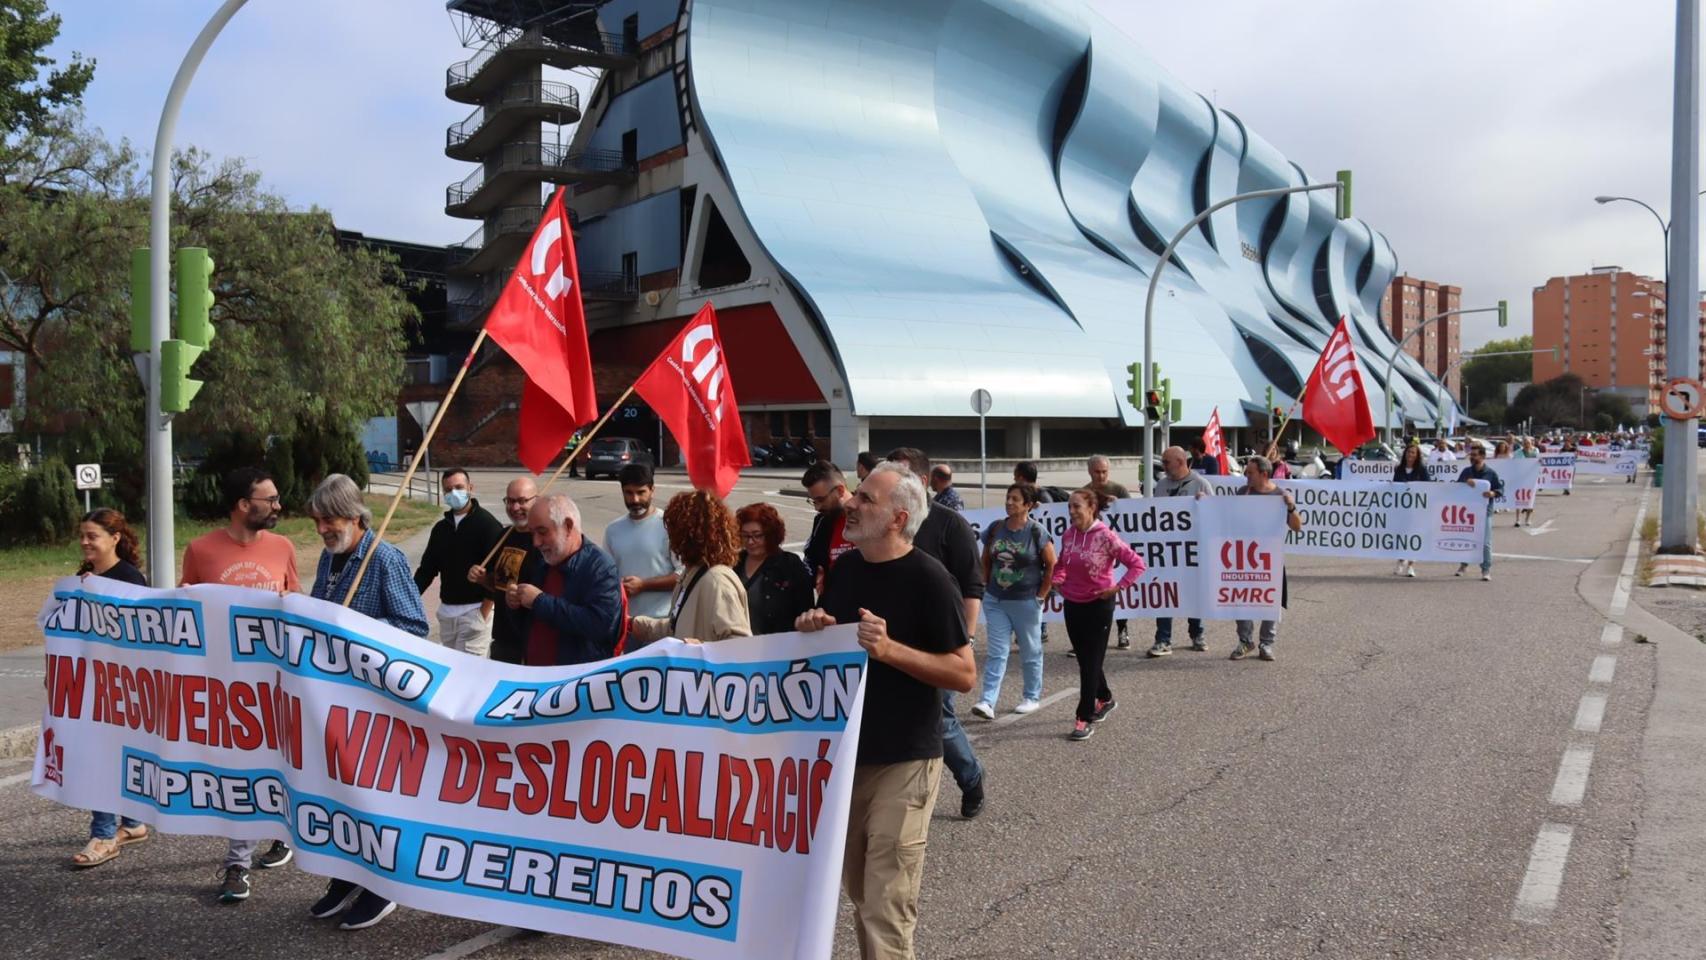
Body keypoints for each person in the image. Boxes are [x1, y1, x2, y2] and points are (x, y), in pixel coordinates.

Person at [793, 462, 975, 960]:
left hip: (906, 759)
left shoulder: (930, 579)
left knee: (885, 904)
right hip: (850, 758)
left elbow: (964, 673)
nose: (850, 503)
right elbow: (835, 645)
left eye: (866, 499)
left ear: (897, 519)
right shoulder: (848, 568)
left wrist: (891, 649)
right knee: (859, 892)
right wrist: (815, 625)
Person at [303, 474, 428, 930]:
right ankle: (344, 876)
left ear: (356, 516)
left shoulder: (384, 559)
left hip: (375, 705)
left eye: (329, 519)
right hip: (335, 703)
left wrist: (360, 635)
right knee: (339, 795)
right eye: (317, 521)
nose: (321, 529)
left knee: (374, 798)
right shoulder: (329, 557)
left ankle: (382, 886)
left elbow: (415, 627)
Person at [181, 467, 302, 902]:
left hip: (276, 685)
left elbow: (295, 607)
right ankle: (237, 864)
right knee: (240, 774)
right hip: (227, 689)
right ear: (242, 505)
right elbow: (182, 614)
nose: (278, 506)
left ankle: (276, 833)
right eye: (269, 499)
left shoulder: (284, 546)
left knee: (279, 767)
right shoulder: (200, 550)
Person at [886, 447, 986, 818]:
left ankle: (971, 776)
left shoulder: (949, 524)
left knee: (939, 722)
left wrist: (966, 643)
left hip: (938, 645)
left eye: (899, 475)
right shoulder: (885, 520)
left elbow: (972, 587)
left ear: (923, 482)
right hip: (887, 644)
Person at [67, 508, 150, 870]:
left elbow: (144, 633)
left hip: (121, 685)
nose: (85, 542)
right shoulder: (84, 576)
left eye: (93, 536)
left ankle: (104, 835)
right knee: (108, 753)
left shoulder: (130, 579)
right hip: (90, 680)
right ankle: (131, 824)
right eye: (83, 536)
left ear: (114, 538)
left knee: (101, 757)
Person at [1052, 489, 1146, 741]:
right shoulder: (1069, 534)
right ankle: (1104, 698)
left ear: (1091, 507)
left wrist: (1117, 587)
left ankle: (1083, 718)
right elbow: (1062, 564)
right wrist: (1058, 579)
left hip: (1098, 605)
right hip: (1072, 603)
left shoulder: (1106, 536)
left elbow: (1137, 564)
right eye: (1069, 507)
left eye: (1077, 507)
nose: (1071, 512)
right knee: (1086, 659)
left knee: (1089, 664)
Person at [508, 494, 625, 665]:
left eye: (542, 532)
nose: (536, 542)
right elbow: (529, 624)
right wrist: (515, 605)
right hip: (537, 677)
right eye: (532, 533)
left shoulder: (600, 567)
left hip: (574, 681)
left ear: (568, 526)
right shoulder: (544, 562)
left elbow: (600, 626)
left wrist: (540, 601)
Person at [972, 483, 1054, 719]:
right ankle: (987, 701)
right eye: (1008, 498)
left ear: (1028, 505)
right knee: (997, 652)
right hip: (996, 600)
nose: (1009, 502)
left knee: (1030, 651)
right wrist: (986, 586)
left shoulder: (1037, 532)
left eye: (1015, 499)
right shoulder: (996, 528)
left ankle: (1031, 696)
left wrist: (1040, 596)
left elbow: (1051, 565)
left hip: (1026, 602)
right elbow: (986, 558)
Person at [629, 490, 752, 645]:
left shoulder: (717, 581)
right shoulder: (692, 574)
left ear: (686, 535)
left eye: (672, 530)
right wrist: (634, 624)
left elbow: (740, 645)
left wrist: (699, 648)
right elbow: (677, 627)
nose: (669, 537)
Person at [412, 467, 505, 657]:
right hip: (447, 614)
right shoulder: (440, 528)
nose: (454, 493)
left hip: (475, 612)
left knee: (468, 677)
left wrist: (483, 613)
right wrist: (408, 598)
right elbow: (427, 570)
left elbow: (499, 573)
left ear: (470, 487)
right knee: (450, 673)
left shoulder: (488, 525)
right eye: (448, 489)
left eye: (459, 487)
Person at [466, 476, 545, 664]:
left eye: (522, 501)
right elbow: (498, 584)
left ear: (537, 500)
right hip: (503, 639)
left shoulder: (543, 541)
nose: (515, 507)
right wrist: (483, 578)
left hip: (532, 641)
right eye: (510, 501)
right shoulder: (505, 535)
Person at [1231, 457, 1303, 661]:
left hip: (1270, 557)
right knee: (1242, 597)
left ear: (1263, 474)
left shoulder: (1280, 495)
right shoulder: (1242, 493)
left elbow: (1297, 527)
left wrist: (1290, 507)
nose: (1246, 476)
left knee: (1271, 600)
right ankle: (1245, 641)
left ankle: (1266, 643)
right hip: (1243, 556)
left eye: (1250, 473)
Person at [1148, 447, 1212, 655]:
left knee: (1192, 593)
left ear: (1180, 461)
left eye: (1167, 462)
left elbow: (1215, 515)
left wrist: (1205, 505)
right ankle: (1163, 639)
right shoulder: (1162, 485)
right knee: (1165, 593)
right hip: (1166, 551)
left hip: (1192, 550)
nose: (1163, 466)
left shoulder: (1201, 484)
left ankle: (1197, 634)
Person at [603, 463, 680, 621]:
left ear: (652, 490)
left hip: (662, 622)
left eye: (641, 492)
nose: (635, 499)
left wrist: (644, 585)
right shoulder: (613, 530)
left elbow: (683, 576)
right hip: (625, 622)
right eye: (629, 493)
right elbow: (605, 576)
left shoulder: (670, 525)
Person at [736, 502, 815, 635]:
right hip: (737, 645)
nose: (750, 542)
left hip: (779, 646)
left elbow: (805, 609)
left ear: (771, 535)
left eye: (757, 535)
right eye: (745, 536)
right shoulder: (734, 562)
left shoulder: (790, 564)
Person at [1083, 454, 1133, 649]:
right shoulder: (1085, 492)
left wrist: (1119, 503)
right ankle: (1089, 636)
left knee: (1116, 592)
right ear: (1090, 471)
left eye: (1104, 472)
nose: (1101, 476)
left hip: (1117, 548)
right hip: (1094, 552)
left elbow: (1133, 512)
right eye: (1097, 472)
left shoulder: (1118, 489)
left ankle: (1123, 631)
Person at [802, 462, 857, 592]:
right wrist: (813, 576)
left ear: (840, 490)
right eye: (814, 501)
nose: (817, 507)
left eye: (821, 500)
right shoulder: (823, 521)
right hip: (831, 604)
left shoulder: (870, 518)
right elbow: (811, 558)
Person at [1457, 447, 1503, 582]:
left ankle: (1485, 569)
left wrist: (1493, 493)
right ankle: (1463, 565)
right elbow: (1456, 487)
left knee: (1485, 542)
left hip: (1485, 511)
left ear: (1482, 456)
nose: (1472, 457)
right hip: (1467, 512)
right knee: (1466, 538)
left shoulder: (1491, 473)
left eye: (1475, 455)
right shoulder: (1466, 472)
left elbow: (1500, 489)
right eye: (1471, 455)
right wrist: (1465, 482)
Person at [1390, 444, 1432, 577]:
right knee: (1402, 534)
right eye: (1409, 452)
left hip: (1417, 508)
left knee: (1414, 535)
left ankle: (1411, 565)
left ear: (1417, 455)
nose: (1410, 455)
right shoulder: (1399, 469)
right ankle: (1401, 560)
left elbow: (1429, 486)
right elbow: (1395, 485)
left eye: (1413, 453)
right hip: (1402, 508)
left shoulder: (1422, 470)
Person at [1514, 438, 1539, 526]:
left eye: (1528, 443)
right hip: (1520, 478)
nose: (1526, 444)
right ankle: (1517, 519)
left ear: (1531, 443)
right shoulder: (1517, 453)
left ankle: (1528, 519)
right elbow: (1514, 464)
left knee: (1530, 499)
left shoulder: (1535, 451)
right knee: (1518, 499)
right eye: (1524, 443)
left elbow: (1538, 462)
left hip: (1532, 478)